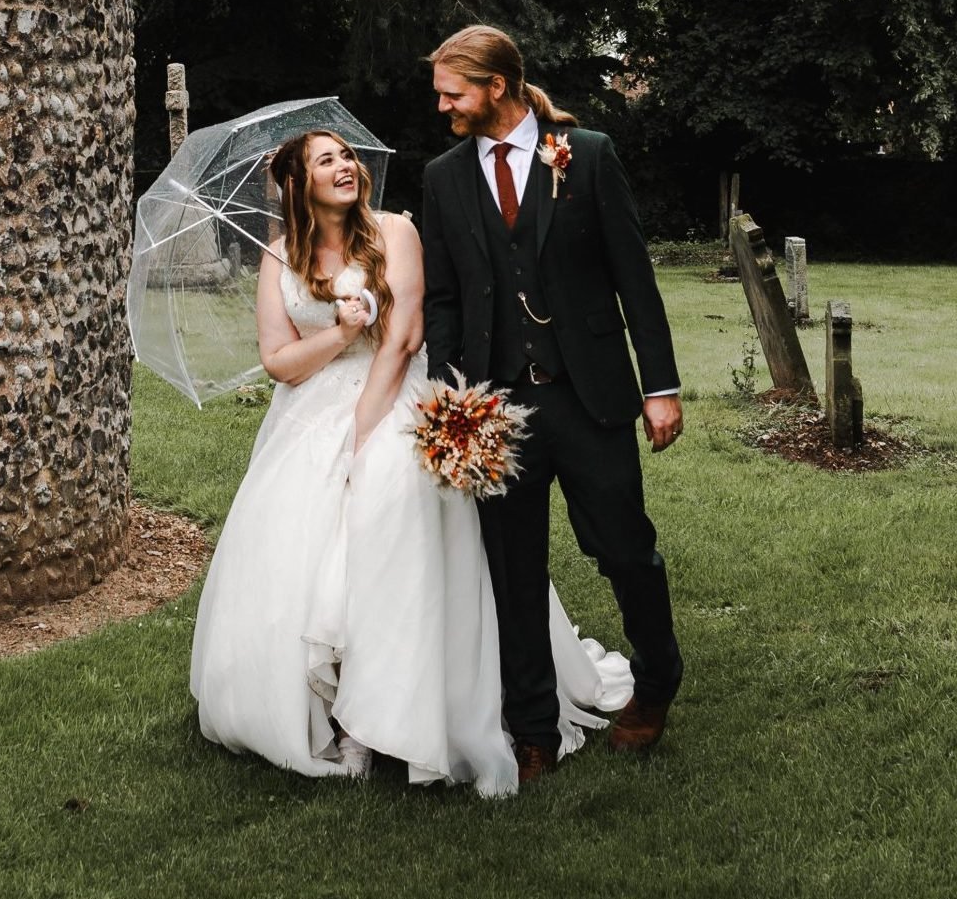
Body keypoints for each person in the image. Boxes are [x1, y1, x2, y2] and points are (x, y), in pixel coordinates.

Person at [189, 128, 633, 795]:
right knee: (298, 538)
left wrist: (362, 437)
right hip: (311, 412)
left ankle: (398, 709)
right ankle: (329, 706)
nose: (344, 166)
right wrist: (337, 334)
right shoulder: (278, 255)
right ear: (297, 184)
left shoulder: (395, 230)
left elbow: (403, 338)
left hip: (394, 399)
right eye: (325, 160)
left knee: (392, 497)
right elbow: (279, 360)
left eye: (345, 155)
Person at [422, 25, 685, 783]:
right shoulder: (442, 177)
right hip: (495, 411)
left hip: (589, 396)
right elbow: (441, 298)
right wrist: (452, 396)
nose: (443, 106)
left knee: (624, 548)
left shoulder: (589, 156)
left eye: (453, 91)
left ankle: (658, 677)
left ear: (495, 87)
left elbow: (634, 279)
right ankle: (532, 728)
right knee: (512, 569)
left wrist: (657, 387)